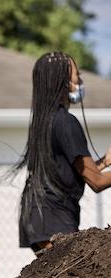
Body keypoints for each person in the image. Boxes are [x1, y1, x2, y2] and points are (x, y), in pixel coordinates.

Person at [15, 51, 111, 254]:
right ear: (64, 81)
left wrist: (104, 162)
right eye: (77, 75)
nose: (81, 81)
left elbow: (68, 170)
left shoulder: (44, 120)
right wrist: (99, 172)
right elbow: (97, 182)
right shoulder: (66, 122)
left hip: (38, 217)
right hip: (53, 217)